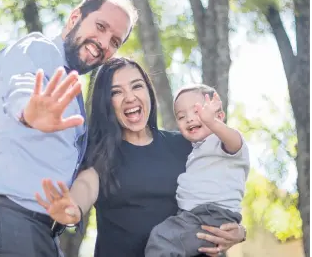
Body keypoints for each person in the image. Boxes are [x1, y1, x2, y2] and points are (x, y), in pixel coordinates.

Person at [0, 0, 138, 257]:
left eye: (115, 41)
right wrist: (29, 111)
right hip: (5, 222)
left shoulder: (73, 97)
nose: (104, 42)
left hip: (32, 231)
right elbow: (24, 83)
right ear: (74, 18)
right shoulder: (40, 49)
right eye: (100, 26)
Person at [36, 57, 247, 257]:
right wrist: (72, 207)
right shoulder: (100, 152)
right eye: (116, 92)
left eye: (137, 86)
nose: (130, 97)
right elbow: (86, 186)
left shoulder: (187, 144)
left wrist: (239, 231)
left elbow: (224, 183)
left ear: (148, 91)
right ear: (106, 102)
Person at [145, 84, 250, 257]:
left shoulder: (222, 142)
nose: (189, 119)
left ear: (219, 115)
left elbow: (235, 142)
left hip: (210, 214)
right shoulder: (195, 150)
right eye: (181, 116)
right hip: (195, 216)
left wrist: (212, 122)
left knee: (161, 241)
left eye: (197, 111)